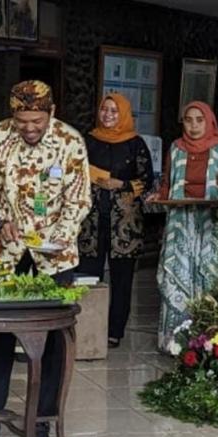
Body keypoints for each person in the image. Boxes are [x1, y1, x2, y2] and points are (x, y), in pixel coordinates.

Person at [0, 80, 91, 437]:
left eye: (36, 121)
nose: (29, 128)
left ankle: (42, 416)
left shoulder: (70, 142)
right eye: (22, 121)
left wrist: (58, 234)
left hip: (54, 256)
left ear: (51, 113)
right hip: (5, 251)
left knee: (53, 338)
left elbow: (79, 199)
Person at [146, 101, 218, 352]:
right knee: (178, 274)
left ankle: (215, 340)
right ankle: (176, 341)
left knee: (214, 275)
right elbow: (168, 181)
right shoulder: (176, 148)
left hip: (213, 225)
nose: (194, 125)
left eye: (200, 120)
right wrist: (160, 195)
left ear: (210, 122)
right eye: (189, 120)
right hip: (181, 224)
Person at [77, 94, 153, 349]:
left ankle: (114, 330)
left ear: (124, 114)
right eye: (104, 109)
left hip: (125, 225)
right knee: (87, 276)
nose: (108, 115)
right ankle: (84, 327)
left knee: (121, 280)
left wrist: (121, 184)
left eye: (114, 111)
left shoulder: (135, 144)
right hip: (91, 221)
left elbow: (147, 182)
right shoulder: (87, 141)